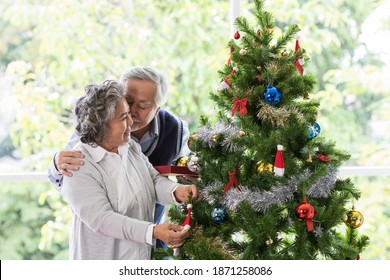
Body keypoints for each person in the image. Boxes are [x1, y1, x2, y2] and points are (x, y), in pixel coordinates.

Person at [47, 66, 193, 247]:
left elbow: (157, 179)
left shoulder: (161, 135)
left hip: (153, 237)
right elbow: (69, 180)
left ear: (156, 110)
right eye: (127, 102)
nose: (132, 113)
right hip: (106, 245)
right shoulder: (86, 141)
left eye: (143, 106)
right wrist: (56, 164)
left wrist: (178, 190)